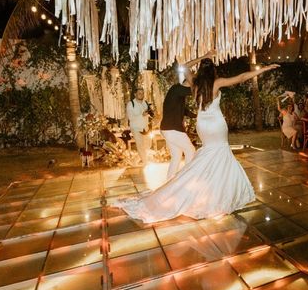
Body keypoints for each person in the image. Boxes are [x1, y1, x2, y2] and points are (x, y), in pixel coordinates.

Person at [113, 58, 279, 223]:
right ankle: (215, 191)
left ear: (200, 70)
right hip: (216, 124)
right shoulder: (217, 82)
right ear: (213, 70)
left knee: (209, 153)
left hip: (203, 125)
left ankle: (202, 185)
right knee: (220, 152)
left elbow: (184, 66)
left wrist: (202, 57)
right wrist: (263, 69)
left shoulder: (194, 83)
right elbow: (242, 77)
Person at [161, 52, 214, 179]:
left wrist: (196, 115)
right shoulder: (177, 89)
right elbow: (185, 67)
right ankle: (187, 179)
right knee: (190, 150)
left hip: (167, 129)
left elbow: (184, 110)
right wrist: (203, 56)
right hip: (173, 129)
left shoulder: (177, 92)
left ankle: (170, 182)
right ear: (188, 82)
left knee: (177, 156)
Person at [126, 87, 152, 165]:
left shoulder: (145, 103)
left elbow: (148, 115)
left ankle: (135, 160)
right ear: (135, 94)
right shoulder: (131, 104)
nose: (141, 95)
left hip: (145, 128)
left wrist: (150, 115)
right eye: (139, 93)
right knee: (140, 145)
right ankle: (146, 163)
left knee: (148, 145)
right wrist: (142, 115)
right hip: (136, 128)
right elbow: (131, 117)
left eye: (142, 93)